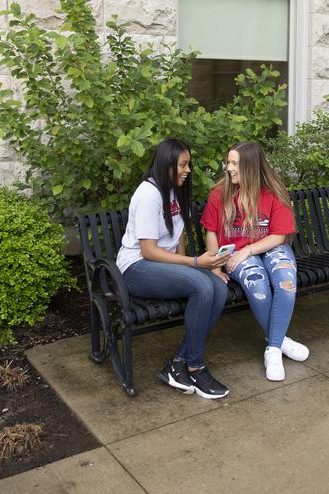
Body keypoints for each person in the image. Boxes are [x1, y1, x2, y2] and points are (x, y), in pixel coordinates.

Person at [116, 138, 231, 399]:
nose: (187, 170)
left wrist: (189, 265)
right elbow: (148, 250)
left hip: (161, 265)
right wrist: (193, 265)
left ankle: (178, 362)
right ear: (167, 165)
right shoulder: (148, 194)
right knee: (201, 285)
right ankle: (195, 366)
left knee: (219, 289)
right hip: (136, 268)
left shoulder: (173, 190)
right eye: (183, 164)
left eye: (188, 164)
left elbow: (177, 233)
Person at [201, 141, 309, 381]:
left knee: (285, 282)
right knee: (258, 285)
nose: (228, 168)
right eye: (228, 162)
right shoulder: (219, 194)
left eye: (234, 163)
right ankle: (280, 342)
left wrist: (249, 250)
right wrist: (216, 266)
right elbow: (211, 231)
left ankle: (272, 349)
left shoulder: (272, 192)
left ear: (250, 166)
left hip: (268, 247)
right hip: (234, 253)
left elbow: (279, 235)